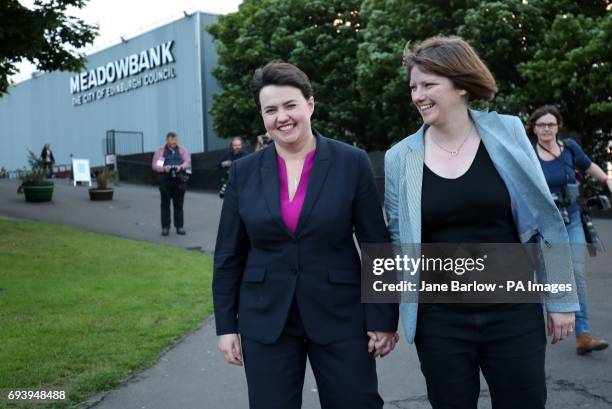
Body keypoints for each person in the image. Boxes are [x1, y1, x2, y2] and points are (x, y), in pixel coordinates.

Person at [384, 36, 578, 409]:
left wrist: (561, 299)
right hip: (439, 319)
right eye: (413, 87)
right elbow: (397, 238)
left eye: (428, 85)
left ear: (460, 85)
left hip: (513, 313)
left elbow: (546, 219)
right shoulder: (400, 157)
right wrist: (386, 315)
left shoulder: (507, 132)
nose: (418, 95)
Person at [212, 62, 399, 409]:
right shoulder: (244, 172)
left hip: (341, 314)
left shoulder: (351, 162)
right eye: (270, 110)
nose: (281, 117)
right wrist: (226, 326)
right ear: (262, 116)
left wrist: (383, 319)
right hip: (266, 318)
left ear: (310, 105)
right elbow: (228, 255)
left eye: (290, 105)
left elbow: (377, 246)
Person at [527, 105, 611, 355]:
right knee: (546, 275)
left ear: (558, 126)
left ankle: (582, 334)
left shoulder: (570, 149)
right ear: (534, 128)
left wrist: (607, 180)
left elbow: (589, 166)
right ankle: (548, 321)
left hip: (572, 218)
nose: (546, 129)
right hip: (543, 223)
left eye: (551, 124)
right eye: (541, 125)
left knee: (576, 273)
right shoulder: (529, 154)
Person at [151, 132, 191, 236]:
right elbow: (155, 166)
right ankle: (165, 228)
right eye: (172, 140)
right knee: (165, 204)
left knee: (179, 204)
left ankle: (179, 227)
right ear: (167, 140)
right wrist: (164, 168)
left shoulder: (182, 150)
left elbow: (188, 161)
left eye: (175, 140)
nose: (174, 142)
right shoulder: (160, 151)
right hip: (165, 179)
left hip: (179, 180)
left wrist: (181, 167)